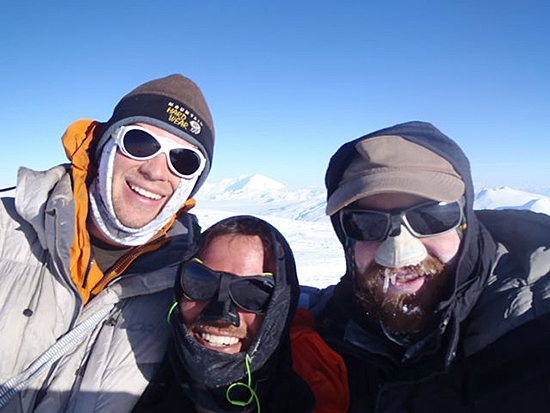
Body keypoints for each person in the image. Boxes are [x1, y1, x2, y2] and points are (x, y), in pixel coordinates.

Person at [0, 74, 215, 412]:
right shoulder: (5, 231)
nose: (157, 171)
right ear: (104, 148)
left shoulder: (188, 288)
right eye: (140, 142)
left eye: (183, 160)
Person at [307, 121, 550, 412]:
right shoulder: (331, 326)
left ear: (465, 224)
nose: (398, 252)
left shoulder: (534, 329)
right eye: (366, 223)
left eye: (431, 217)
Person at [133, 215, 317, 412]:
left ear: (280, 309)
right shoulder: (130, 389)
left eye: (252, 293)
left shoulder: (313, 403)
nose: (221, 314)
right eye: (200, 282)